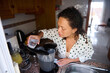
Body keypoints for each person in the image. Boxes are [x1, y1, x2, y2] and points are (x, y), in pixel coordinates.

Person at [27, 6, 94, 66]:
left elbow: (88, 54)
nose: (58, 30)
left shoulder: (85, 40)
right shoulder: (57, 34)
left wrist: (70, 60)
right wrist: (39, 36)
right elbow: (45, 32)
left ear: (74, 30)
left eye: (63, 28)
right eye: (58, 26)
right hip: (60, 66)